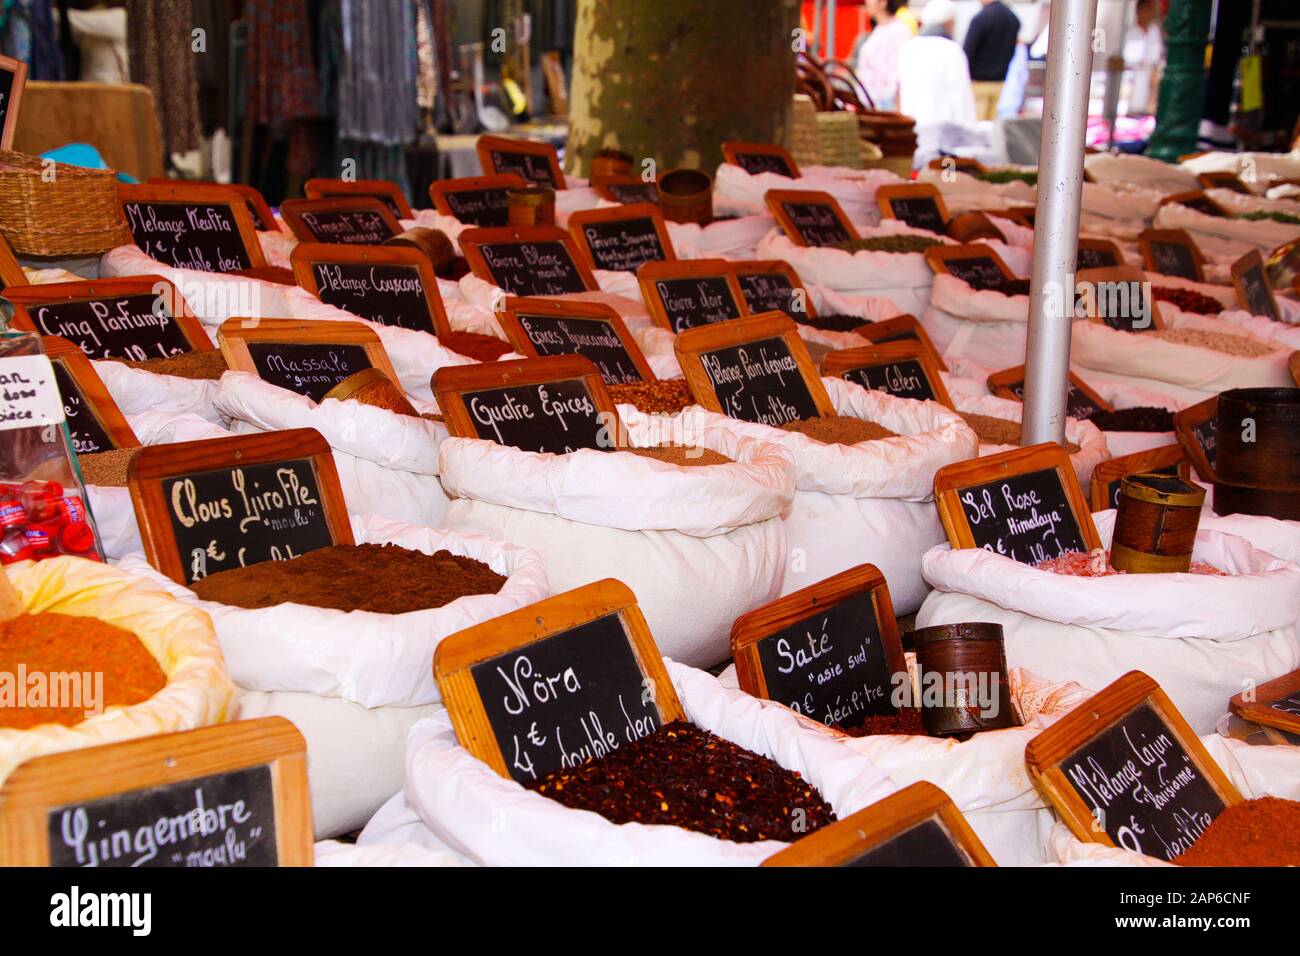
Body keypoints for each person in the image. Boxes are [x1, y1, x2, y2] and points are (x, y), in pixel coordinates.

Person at [898, 0, 976, 129]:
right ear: (949, 23)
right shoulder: (952, 50)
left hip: (912, 127)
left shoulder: (907, 48)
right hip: (944, 130)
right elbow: (961, 95)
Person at [963, 0, 1021, 121]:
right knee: (992, 127)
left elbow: (968, 51)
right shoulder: (1012, 18)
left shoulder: (980, 18)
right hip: (1000, 81)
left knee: (977, 126)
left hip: (978, 82)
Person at [855, 0, 913, 112]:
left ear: (883, 3)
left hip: (888, 105)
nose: (867, 2)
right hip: (871, 102)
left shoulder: (899, 31)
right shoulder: (879, 30)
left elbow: (901, 71)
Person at [1123, 0, 1163, 116]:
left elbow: (1157, 53)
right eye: (1144, 10)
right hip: (1133, 74)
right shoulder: (1130, 31)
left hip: (1151, 75)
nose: (1147, 13)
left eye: (1149, 10)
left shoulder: (1154, 30)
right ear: (1137, 11)